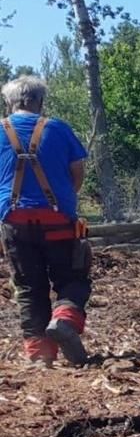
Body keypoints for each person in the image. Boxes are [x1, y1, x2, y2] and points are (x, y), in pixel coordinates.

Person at [0, 75, 91, 367]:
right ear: (40, 101)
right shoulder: (58, 129)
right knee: (73, 277)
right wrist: (62, 201)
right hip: (58, 222)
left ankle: (40, 355)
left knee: (28, 287)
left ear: (9, 103)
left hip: (14, 223)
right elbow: (77, 172)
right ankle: (64, 318)